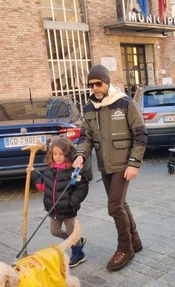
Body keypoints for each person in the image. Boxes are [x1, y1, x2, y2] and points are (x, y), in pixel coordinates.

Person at [73, 64, 148, 271]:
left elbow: (141, 135)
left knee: (114, 206)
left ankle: (125, 248)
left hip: (123, 164)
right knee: (120, 204)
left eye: (99, 83)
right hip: (105, 165)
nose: (95, 88)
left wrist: (134, 163)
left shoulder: (125, 103)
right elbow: (85, 137)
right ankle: (135, 240)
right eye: (92, 84)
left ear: (107, 82)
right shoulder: (88, 108)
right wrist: (80, 155)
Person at [29, 137, 89, 268]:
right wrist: (33, 173)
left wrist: (72, 202)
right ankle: (75, 240)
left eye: (61, 154)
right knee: (55, 231)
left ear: (68, 154)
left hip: (68, 210)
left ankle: (78, 253)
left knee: (71, 231)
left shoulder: (74, 171)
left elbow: (82, 187)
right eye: (55, 154)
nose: (58, 157)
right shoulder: (49, 170)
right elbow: (42, 186)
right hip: (54, 210)